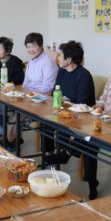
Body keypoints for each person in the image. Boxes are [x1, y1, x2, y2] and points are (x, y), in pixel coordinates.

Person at [43, 41, 100, 199]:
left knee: (90, 143)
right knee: (46, 124)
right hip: (65, 113)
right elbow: (56, 91)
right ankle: (54, 161)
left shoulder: (84, 75)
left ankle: (67, 155)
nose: (58, 58)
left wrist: (65, 103)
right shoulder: (62, 72)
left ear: (69, 60)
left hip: (84, 118)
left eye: (60, 56)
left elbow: (82, 103)